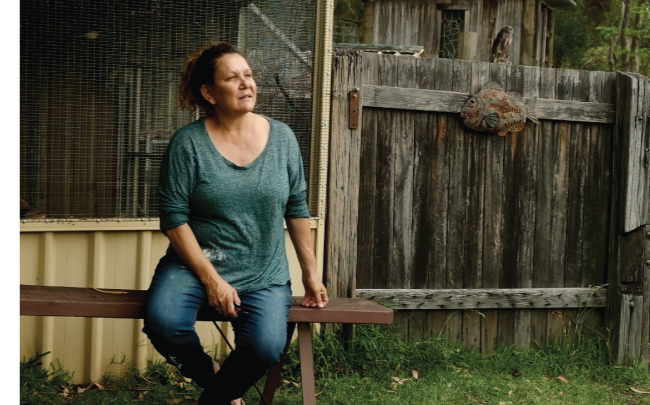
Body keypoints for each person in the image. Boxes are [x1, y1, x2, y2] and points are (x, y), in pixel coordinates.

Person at [142, 42, 329, 405]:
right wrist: (212, 280)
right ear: (209, 93)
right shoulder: (188, 144)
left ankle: (216, 398)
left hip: (263, 272)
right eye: (232, 78)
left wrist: (310, 273)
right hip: (194, 266)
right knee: (164, 323)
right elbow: (174, 218)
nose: (246, 84)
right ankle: (214, 376)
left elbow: (296, 206)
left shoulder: (283, 138)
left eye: (249, 75)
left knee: (265, 347)